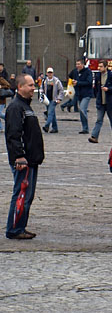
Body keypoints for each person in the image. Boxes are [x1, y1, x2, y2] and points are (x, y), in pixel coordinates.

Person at [5, 74, 44, 239]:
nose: (33, 88)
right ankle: (14, 229)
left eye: (33, 85)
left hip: (32, 160)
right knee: (21, 194)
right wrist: (19, 156)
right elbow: (14, 135)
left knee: (27, 196)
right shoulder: (16, 108)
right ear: (20, 87)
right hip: (24, 160)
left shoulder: (26, 107)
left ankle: (20, 226)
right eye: (29, 85)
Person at [89, 60, 112, 143]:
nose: (99, 68)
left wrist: (109, 89)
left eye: (101, 66)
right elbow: (96, 88)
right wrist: (97, 96)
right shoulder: (97, 76)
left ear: (106, 67)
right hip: (101, 102)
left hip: (110, 102)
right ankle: (94, 136)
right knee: (99, 120)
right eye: (98, 66)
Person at [70, 59, 94, 134]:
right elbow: (70, 76)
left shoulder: (88, 72)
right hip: (79, 94)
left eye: (79, 64)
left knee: (82, 109)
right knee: (81, 111)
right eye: (76, 64)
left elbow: (89, 82)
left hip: (86, 94)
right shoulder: (75, 72)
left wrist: (78, 83)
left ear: (83, 65)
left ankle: (85, 127)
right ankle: (84, 128)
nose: (77, 66)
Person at [40, 68, 64, 134]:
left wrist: (59, 98)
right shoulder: (44, 81)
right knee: (52, 113)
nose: (50, 74)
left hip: (54, 100)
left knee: (50, 113)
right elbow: (41, 89)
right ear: (47, 73)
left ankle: (46, 126)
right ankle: (55, 128)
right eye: (48, 72)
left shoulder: (56, 81)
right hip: (46, 100)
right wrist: (42, 95)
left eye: (51, 72)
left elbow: (61, 90)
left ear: (53, 73)